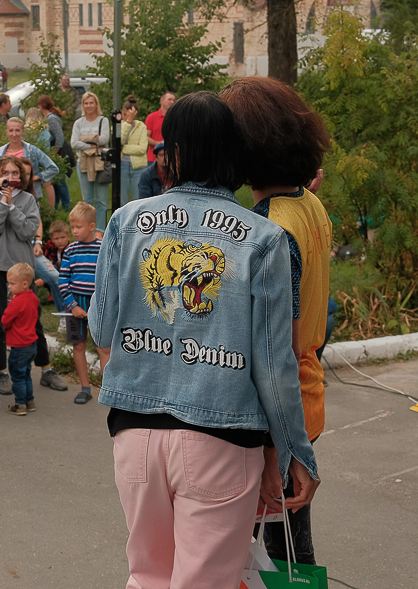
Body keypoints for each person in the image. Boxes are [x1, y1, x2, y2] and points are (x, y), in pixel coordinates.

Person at [91, 91, 319, 589]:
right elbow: (273, 363)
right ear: (233, 153)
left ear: (170, 153)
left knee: (146, 576)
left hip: (134, 434)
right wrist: (294, 450)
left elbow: (100, 328)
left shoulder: (125, 222)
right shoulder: (262, 239)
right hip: (222, 439)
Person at [221, 75, 334, 565]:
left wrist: (276, 448)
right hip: (305, 393)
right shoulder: (308, 204)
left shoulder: (270, 230)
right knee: (289, 540)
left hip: (278, 410)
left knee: (280, 555)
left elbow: (274, 349)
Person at [0, 156, 41, 396]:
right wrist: (3, 202)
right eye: (6, 173)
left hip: (22, 267)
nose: (11, 177)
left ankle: (28, 369)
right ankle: (1, 372)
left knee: (30, 320)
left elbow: (27, 230)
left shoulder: (29, 200)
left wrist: (13, 207)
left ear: (21, 177)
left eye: (15, 173)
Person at [59, 201, 105, 404]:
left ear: (92, 226)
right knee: (79, 345)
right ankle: (85, 388)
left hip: (98, 305)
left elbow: (109, 278)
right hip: (76, 304)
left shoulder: (103, 248)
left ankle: (107, 389)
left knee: (103, 348)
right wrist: (73, 306)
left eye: (78, 227)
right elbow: (62, 281)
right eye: (73, 227)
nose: (74, 231)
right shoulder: (70, 250)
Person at [0, 117, 59, 207]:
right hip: (5, 197)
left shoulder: (32, 151)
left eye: (17, 130)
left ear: (23, 131)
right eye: (11, 130)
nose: (14, 134)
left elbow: (53, 168)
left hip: (29, 196)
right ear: (6, 132)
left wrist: (35, 178)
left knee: (31, 220)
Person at [2, 262, 40, 416]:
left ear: (24, 284)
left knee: (17, 375)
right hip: (31, 344)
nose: (9, 286)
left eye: (12, 283)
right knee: (26, 374)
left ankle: (20, 404)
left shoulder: (16, 302)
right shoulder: (33, 299)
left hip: (19, 345)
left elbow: (5, 320)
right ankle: (29, 401)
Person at [71, 91, 110, 231]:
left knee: (101, 200)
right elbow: (74, 143)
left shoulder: (103, 120)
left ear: (96, 104)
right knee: (87, 200)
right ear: (83, 105)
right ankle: (88, 230)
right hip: (83, 162)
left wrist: (84, 139)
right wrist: (93, 143)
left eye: (91, 103)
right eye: (86, 103)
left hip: (100, 162)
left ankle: (100, 230)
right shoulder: (78, 123)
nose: (88, 106)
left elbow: (105, 139)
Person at [119, 99, 149, 205]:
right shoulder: (119, 125)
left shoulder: (141, 126)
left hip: (138, 166)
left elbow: (142, 148)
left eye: (129, 115)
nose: (126, 117)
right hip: (122, 164)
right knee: (122, 198)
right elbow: (119, 142)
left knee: (138, 198)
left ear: (134, 113)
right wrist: (127, 123)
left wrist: (124, 148)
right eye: (124, 114)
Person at [144, 90, 176, 161]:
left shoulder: (176, 118)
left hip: (171, 159)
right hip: (153, 159)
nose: (172, 102)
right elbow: (145, 137)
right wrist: (160, 144)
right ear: (162, 100)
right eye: (169, 99)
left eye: (173, 100)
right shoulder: (151, 117)